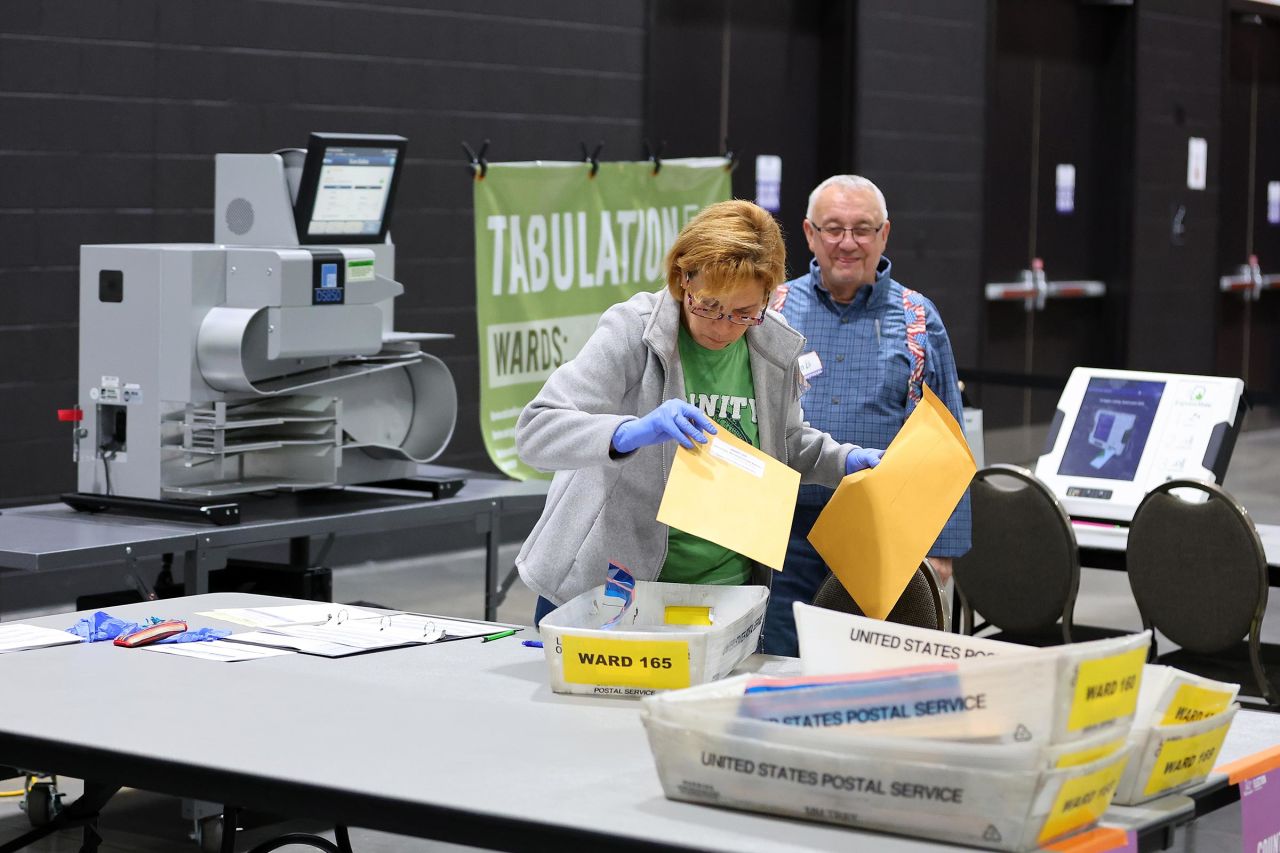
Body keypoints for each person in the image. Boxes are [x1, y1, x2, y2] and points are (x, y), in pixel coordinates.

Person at [515, 199, 884, 628]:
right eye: (708, 305)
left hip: (724, 589)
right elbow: (536, 430)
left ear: (768, 298)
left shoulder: (773, 345)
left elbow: (783, 442)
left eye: (745, 313)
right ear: (681, 280)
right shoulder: (634, 331)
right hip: (612, 586)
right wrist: (630, 432)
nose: (723, 326)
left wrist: (844, 461)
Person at [763, 174, 972, 656]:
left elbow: (949, 437)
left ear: (884, 235)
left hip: (882, 535)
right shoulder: (772, 309)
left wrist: (942, 547)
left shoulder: (919, 318)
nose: (847, 243)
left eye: (862, 229)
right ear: (810, 233)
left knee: (871, 666)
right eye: (833, 229)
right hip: (784, 534)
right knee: (778, 658)